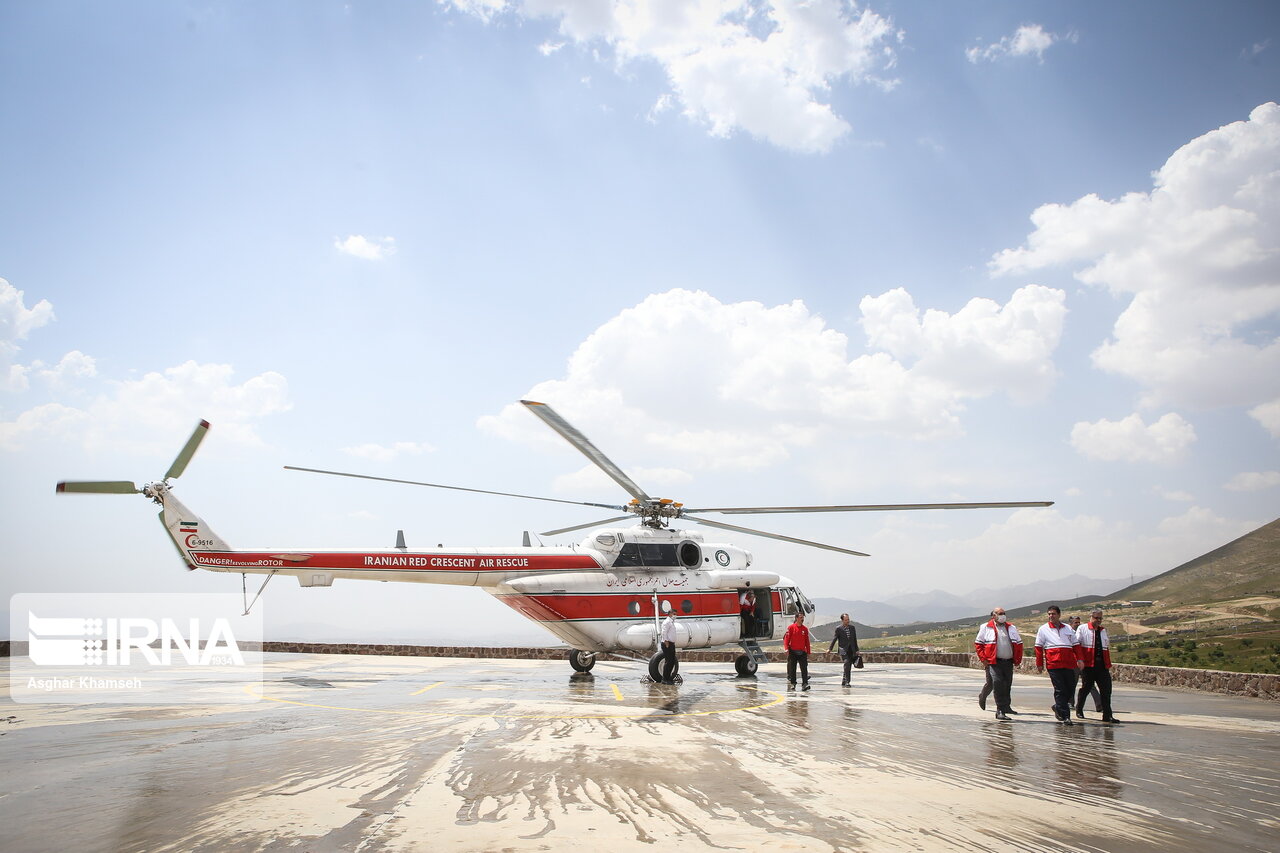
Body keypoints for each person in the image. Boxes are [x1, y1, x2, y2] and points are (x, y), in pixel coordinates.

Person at [1035, 605, 1082, 725]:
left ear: (1059, 615)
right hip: (1054, 664)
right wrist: (1039, 663)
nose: (1051, 616)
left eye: (1053, 614)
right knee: (1060, 689)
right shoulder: (1043, 629)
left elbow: (1076, 645)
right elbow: (1039, 648)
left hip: (1069, 664)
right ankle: (1066, 716)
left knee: (1070, 689)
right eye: (1049, 614)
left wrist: (1080, 659)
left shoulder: (1067, 628)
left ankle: (1058, 706)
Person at [974, 607, 1022, 721]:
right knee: (997, 683)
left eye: (1004, 613)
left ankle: (1006, 706)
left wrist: (1017, 659)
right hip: (994, 661)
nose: (1002, 616)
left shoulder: (1011, 627)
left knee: (1007, 683)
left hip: (1008, 661)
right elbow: (978, 644)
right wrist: (983, 659)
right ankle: (999, 709)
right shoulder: (986, 627)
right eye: (1000, 614)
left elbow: (1019, 644)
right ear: (993, 616)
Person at [1076, 609, 1119, 723]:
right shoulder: (1082, 629)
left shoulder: (1103, 631)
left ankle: (1107, 715)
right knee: (1086, 687)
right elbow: (1076, 645)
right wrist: (1080, 660)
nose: (1098, 620)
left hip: (1102, 665)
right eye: (1096, 618)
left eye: (1100, 618)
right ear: (1091, 617)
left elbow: (1106, 647)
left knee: (1106, 690)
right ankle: (1079, 709)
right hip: (1088, 665)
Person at [827, 613, 860, 687]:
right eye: (846, 620)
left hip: (852, 649)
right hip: (843, 650)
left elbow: (854, 639)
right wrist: (830, 649)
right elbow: (834, 639)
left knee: (848, 666)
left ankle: (844, 680)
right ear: (842, 620)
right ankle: (847, 682)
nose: (847, 621)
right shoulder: (839, 629)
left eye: (848, 619)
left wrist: (857, 649)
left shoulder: (852, 628)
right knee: (847, 663)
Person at [783, 612, 812, 691]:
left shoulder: (805, 629)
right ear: (796, 618)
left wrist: (808, 652)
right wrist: (786, 649)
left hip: (802, 652)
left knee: (804, 669)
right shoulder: (791, 628)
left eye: (803, 618)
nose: (802, 619)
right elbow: (786, 640)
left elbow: (807, 641)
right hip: (793, 652)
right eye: (800, 618)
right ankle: (793, 684)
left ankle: (805, 684)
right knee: (793, 669)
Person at [659, 606, 679, 684]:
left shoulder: (672, 622)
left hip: (671, 644)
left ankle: (668, 678)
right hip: (667, 644)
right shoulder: (667, 622)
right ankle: (665, 679)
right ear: (670, 614)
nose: (675, 615)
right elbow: (664, 632)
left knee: (672, 661)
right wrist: (666, 641)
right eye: (674, 614)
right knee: (668, 661)